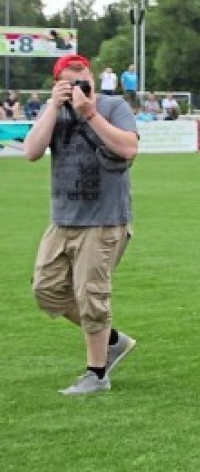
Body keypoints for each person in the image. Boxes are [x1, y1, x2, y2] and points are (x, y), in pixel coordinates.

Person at [23, 54, 140, 395]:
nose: (78, 85)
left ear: (92, 77)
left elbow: (129, 149)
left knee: (92, 297)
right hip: (62, 219)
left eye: (82, 78)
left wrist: (89, 113)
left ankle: (96, 374)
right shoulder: (54, 111)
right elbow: (31, 151)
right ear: (57, 84)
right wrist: (52, 107)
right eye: (70, 80)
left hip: (104, 219)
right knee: (46, 291)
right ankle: (112, 340)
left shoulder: (113, 106)